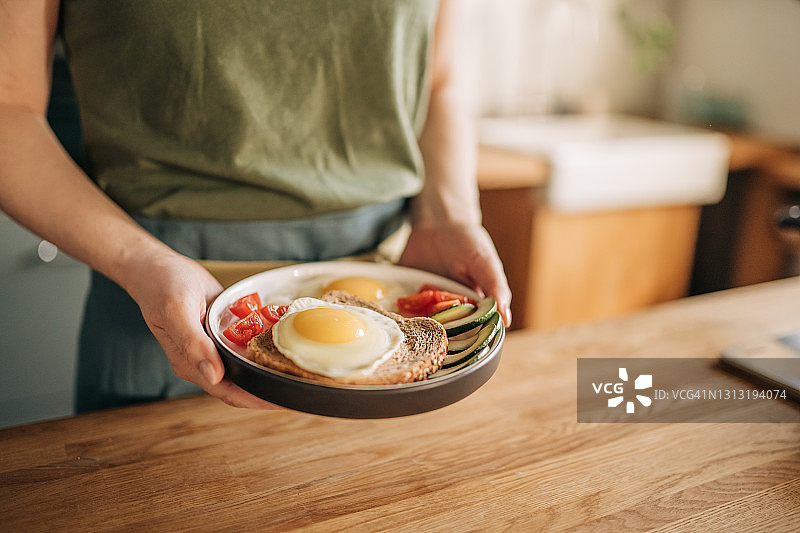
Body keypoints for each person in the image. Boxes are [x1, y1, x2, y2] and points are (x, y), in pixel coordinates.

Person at [0, 0, 512, 412]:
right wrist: (142, 262)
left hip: (390, 308)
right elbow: (8, 109)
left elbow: (437, 80)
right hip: (164, 317)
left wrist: (449, 216)